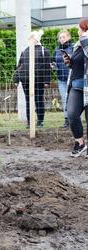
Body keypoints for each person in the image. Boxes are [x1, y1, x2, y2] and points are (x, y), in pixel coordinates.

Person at [14, 30, 51, 128]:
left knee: (39, 100)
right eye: (29, 38)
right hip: (26, 80)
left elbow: (47, 67)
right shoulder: (25, 51)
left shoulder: (44, 50)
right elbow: (19, 66)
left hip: (39, 80)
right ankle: (30, 122)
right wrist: (16, 79)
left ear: (36, 39)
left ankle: (40, 121)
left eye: (32, 37)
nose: (30, 39)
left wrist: (47, 81)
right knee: (28, 101)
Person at [63, 17, 88, 157]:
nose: (78, 31)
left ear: (84, 28)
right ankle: (80, 143)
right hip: (76, 85)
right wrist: (68, 61)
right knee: (72, 114)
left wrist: (85, 38)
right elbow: (76, 64)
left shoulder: (84, 42)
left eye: (80, 28)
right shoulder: (78, 44)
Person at [51, 30, 73, 128]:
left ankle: (74, 119)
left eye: (63, 37)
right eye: (60, 38)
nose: (61, 39)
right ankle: (66, 119)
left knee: (73, 99)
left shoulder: (73, 48)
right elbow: (54, 61)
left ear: (68, 37)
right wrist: (53, 65)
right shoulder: (56, 50)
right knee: (64, 99)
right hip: (61, 79)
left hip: (72, 77)